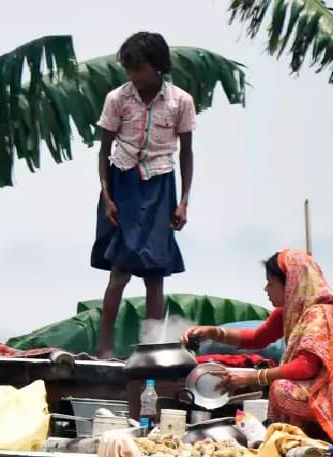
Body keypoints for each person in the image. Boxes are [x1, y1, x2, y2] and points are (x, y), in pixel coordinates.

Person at [184, 250, 333, 441]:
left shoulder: (320, 314)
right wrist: (212, 332)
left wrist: (253, 377)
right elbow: (258, 339)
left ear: (291, 283)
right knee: (281, 387)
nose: (266, 289)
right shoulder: (292, 312)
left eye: (271, 283)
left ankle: (324, 435)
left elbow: (306, 367)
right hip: (326, 385)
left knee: (281, 389)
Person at [91, 31, 196, 359]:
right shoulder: (117, 99)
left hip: (160, 185)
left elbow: (186, 152)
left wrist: (183, 202)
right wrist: (107, 197)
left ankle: (151, 350)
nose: (133, 75)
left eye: (139, 68)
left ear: (157, 66)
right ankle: (105, 348)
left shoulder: (180, 102)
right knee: (119, 270)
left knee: (154, 274)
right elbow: (104, 150)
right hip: (123, 183)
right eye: (129, 69)